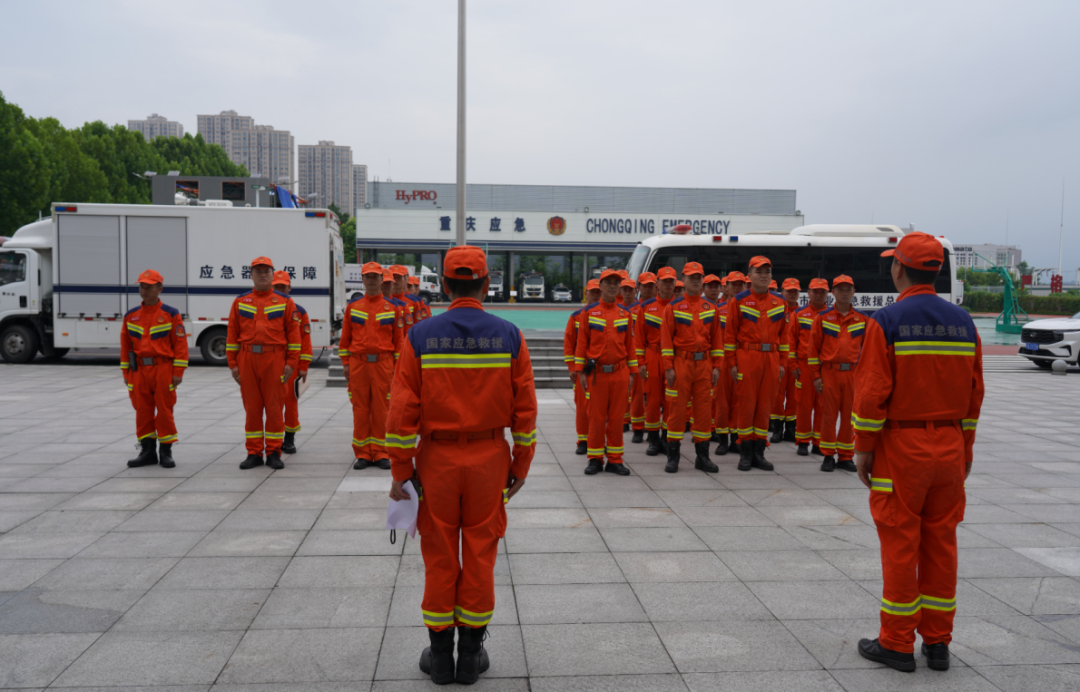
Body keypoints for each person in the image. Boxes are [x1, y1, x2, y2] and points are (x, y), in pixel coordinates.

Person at [386, 245, 537, 685]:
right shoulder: (510, 335)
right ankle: (469, 657)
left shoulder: (420, 335)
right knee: (480, 554)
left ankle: (440, 658)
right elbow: (525, 409)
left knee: (438, 556)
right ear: (487, 284)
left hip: (437, 460)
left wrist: (401, 472)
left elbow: (401, 411)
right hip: (490, 459)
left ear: (445, 285)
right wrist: (521, 463)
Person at [853, 232, 984, 673]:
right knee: (941, 545)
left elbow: (871, 393)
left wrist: (863, 449)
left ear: (898, 268)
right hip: (949, 447)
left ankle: (895, 642)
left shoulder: (886, 320)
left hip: (902, 449)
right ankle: (938, 643)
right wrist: (964, 450)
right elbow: (975, 394)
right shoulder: (964, 322)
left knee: (900, 544)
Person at [227, 257, 302, 470]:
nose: (262, 275)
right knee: (252, 408)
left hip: (274, 359)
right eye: (258, 271)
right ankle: (254, 453)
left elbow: (294, 335)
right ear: (250, 275)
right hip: (247, 359)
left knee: (274, 408)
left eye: (266, 271)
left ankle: (273, 452)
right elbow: (232, 334)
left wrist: (291, 362)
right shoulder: (240, 301)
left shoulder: (285, 302)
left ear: (272, 274)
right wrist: (233, 364)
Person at [120, 269, 188, 468]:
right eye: (141, 286)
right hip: (138, 371)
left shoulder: (171, 314)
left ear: (160, 289)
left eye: (148, 287)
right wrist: (126, 373)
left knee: (165, 411)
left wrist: (178, 372)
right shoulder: (131, 315)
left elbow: (180, 345)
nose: (144, 290)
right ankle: (147, 452)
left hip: (162, 369)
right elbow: (125, 347)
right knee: (142, 411)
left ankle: (165, 452)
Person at [725, 257, 787, 471]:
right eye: (759, 272)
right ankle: (745, 453)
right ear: (749, 276)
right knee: (746, 405)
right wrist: (732, 363)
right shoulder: (739, 301)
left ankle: (759, 453)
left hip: (771, 358)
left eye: (767, 272)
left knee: (765, 406)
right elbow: (730, 335)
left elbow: (784, 336)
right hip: (747, 357)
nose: (763, 276)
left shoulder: (780, 301)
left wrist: (782, 362)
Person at [573, 269, 637, 475]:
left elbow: (630, 346)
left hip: (620, 373)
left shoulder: (625, 314)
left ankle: (615, 460)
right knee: (597, 418)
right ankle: (595, 459)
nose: (612, 286)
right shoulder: (589, 313)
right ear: (600, 286)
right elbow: (581, 344)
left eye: (615, 283)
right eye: (607, 282)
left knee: (617, 418)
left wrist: (632, 372)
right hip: (596, 375)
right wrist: (579, 372)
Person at [341, 262, 404, 470]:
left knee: (382, 409)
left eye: (375, 276)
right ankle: (363, 454)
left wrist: (397, 368)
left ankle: (381, 452)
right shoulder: (353, 307)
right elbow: (345, 339)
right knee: (360, 409)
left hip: (383, 365)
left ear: (381, 279)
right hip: (358, 365)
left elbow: (399, 343)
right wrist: (346, 363)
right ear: (362, 279)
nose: (371, 280)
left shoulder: (393, 309)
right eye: (367, 276)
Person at [661, 262, 722, 473]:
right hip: (681, 364)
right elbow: (666, 340)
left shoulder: (711, 308)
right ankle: (673, 456)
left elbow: (717, 340)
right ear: (683, 280)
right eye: (691, 277)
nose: (695, 280)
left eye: (698, 277)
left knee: (704, 410)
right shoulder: (673, 307)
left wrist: (717, 366)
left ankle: (702, 457)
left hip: (704, 365)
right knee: (677, 410)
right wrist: (668, 367)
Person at [807, 275, 866, 472]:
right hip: (829, 372)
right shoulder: (822, 318)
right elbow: (813, 349)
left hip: (853, 374)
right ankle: (828, 456)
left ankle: (846, 456)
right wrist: (816, 376)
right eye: (840, 289)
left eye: (848, 289)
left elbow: (869, 351)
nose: (844, 293)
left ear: (854, 292)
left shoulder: (863, 319)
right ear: (833, 292)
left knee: (850, 417)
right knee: (828, 416)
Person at [271, 270, 313, 455]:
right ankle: (274, 439)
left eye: (283, 287)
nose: (280, 290)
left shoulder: (300, 311)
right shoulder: (266, 308)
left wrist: (303, 366)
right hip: (272, 362)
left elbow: (305, 340)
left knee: (290, 402)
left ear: (290, 288)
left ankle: (289, 439)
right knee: (272, 402)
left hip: (292, 363)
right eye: (277, 287)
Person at [637, 266, 677, 456]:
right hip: (652, 356)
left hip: (674, 358)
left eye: (671, 281)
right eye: (664, 281)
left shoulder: (680, 306)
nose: (668, 285)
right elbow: (639, 338)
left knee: (670, 400)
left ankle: (666, 438)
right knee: (652, 400)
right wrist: (641, 362)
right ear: (657, 284)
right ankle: (653, 439)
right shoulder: (646, 307)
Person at [793, 278, 830, 456]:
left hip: (825, 367)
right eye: (815, 291)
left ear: (827, 294)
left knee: (823, 406)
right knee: (804, 405)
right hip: (804, 366)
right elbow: (790, 341)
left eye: (822, 292)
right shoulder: (799, 314)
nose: (818, 295)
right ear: (808, 293)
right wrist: (793, 364)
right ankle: (802, 441)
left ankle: (818, 442)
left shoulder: (832, 315)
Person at [564, 279, 602, 454]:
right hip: (582, 370)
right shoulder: (576, 317)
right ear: (586, 293)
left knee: (600, 408)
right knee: (582, 406)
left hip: (601, 371)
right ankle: (583, 441)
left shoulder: (608, 315)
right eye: (592, 292)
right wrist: (572, 367)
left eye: (598, 292)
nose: (595, 295)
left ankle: (598, 440)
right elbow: (569, 344)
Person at [770, 278, 801, 443]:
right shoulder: (777, 311)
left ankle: (790, 430)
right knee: (777, 395)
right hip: (779, 360)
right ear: (782, 292)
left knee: (794, 398)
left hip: (796, 362)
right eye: (789, 291)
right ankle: (777, 430)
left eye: (795, 291)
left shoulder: (802, 313)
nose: (792, 294)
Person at [629, 273, 656, 442]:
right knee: (638, 395)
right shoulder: (631, 310)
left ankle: (657, 431)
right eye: (644, 286)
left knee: (657, 396)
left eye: (651, 286)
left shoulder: (664, 307)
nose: (647, 289)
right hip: (637, 357)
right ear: (638, 288)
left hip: (656, 356)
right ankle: (638, 428)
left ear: (656, 288)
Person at [619, 278, 640, 433]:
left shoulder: (641, 308)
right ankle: (624, 420)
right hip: (622, 355)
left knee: (637, 392)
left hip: (638, 355)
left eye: (630, 290)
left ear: (636, 291)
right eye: (625, 290)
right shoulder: (617, 309)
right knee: (623, 391)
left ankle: (638, 423)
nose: (627, 293)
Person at [390, 265, 417, 334]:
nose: (396, 280)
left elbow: (418, 327)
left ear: (405, 279)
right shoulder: (383, 301)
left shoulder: (414, 302)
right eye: (393, 277)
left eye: (399, 277)